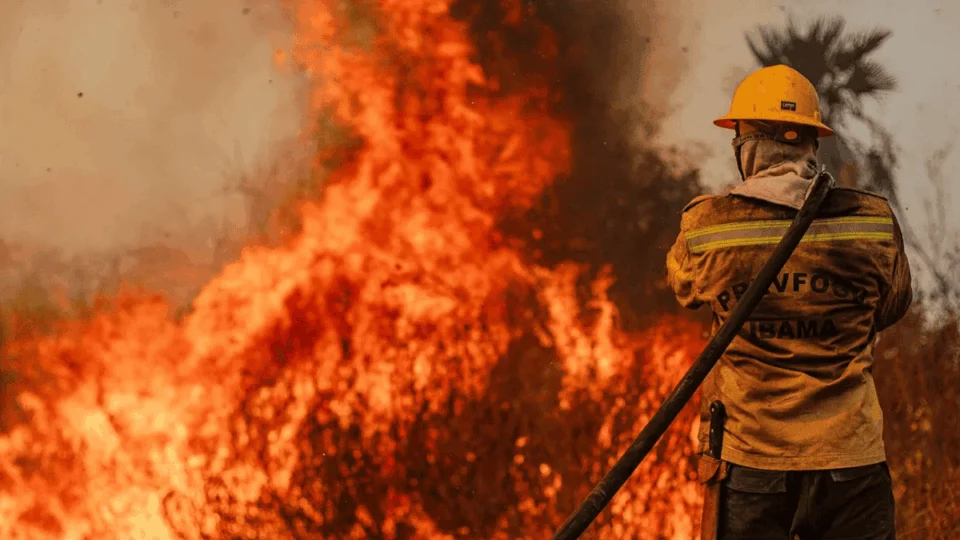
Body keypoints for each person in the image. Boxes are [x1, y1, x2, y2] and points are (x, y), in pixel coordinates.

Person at [666, 64, 913, 540]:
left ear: (750, 147)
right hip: (852, 462)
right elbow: (891, 306)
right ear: (809, 142)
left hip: (753, 464)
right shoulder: (874, 222)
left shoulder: (708, 226)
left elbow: (684, 289)